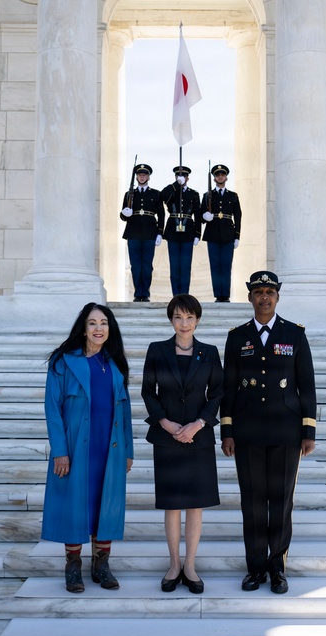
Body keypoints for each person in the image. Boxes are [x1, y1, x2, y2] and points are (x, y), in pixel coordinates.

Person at [219, 271, 316, 595]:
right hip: (247, 433)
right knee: (253, 503)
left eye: (269, 292)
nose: (264, 297)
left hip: (287, 433)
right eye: (258, 292)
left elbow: (307, 385)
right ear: (250, 297)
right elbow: (228, 387)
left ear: (277, 297)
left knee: (281, 502)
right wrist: (227, 430)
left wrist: (308, 430)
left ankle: (277, 568)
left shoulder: (295, 334)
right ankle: (255, 568)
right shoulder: (237, 337)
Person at [42, 303, 134, 593]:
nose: (98, 329)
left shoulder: (115, 364)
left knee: (103, 504)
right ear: (83, 328)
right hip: (75, 446)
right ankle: (72, 567)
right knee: (74, 504)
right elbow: (52, 408)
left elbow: (125, 410)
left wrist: (128, 450)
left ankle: (101, 565)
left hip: (109, 447)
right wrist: (59, 450)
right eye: (92, 323)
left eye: (104, 323)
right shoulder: (63, 362)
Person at [141, 294, 224, 594]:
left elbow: (217, 394)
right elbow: (148, 391)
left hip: (198, 438)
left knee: (196, 506)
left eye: (189, 317)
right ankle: (174, 564)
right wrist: (164, 421)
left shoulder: (210, 353)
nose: (184, 323)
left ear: (198, 319)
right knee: (173, 505)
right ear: (171, 320)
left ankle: (190, 565)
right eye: (178, 317)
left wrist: (199, 424)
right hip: (167, 438)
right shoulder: (157, 350)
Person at [120, 164, 165, 302]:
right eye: (139, 175)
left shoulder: (155, 194)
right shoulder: (129, 194)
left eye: (144, 174)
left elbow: (161, 215)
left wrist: (159, 233)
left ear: (148, 177)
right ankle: (137, 293)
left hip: (149, 233)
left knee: (146, 266)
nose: (142, 176)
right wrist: (124, 213)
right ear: (136, 177)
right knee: (135, 266)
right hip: (133, 233)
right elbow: (123, 217)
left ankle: (144, 293)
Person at [200, 164, 242, 302]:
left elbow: (238, 216)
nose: (220, 177)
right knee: (215, 266)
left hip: (228, 234)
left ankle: (226, 295)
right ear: (214, 178)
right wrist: (205, 216)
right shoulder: (207, 196)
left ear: (226, 177)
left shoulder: (233, 196)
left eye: (222, 175)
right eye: (217, 175)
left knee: (226, 265)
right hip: (212, 234)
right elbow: (200, 215)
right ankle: (218, 294)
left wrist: (237, 236)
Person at [160, 165, 201, 296]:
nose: (181, 178)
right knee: (174, 267)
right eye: (178, 176)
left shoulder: (194, 194)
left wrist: (197, 234)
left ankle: (184, 295)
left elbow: (198, 215)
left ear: (188, 178)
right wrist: (176, 184)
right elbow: (161, 196)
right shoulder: (172, 191)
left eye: (183, 176)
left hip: (188, 231)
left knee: (185, 267)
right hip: (173, 231)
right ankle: (175, 295)